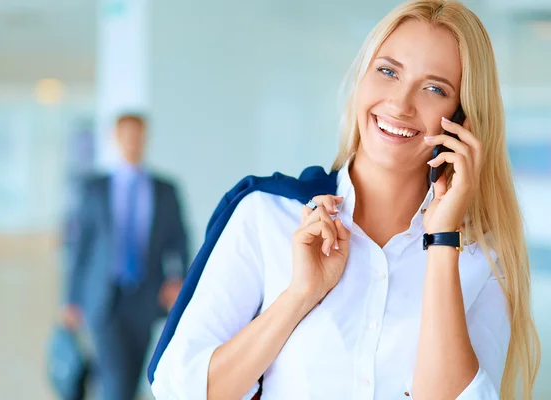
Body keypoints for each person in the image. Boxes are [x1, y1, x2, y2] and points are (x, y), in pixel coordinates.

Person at [151, 1, 541, 399]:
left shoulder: (484, 259)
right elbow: (179, 389)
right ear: (362, 78)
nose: (400, 104)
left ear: (463, 122)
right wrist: (300, 296)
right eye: (388, 71)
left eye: (434, 89)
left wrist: (442, 241)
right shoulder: (266, 215)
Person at [63, 113, 190, 400]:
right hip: (103, 296)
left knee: (133, 375)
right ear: (116, 139)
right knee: (116, 377)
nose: (133, 142)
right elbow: (79, 248)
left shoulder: (165, 190)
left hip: (147, 296)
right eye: (127, 135)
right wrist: (69, 299)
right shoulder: (94, 189)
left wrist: (178, 279)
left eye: (139, 135)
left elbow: (180, 240)